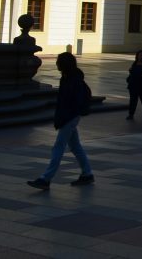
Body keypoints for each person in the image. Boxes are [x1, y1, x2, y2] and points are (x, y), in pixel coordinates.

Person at [27, 52, 94, 189]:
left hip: (69, 117)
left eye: (59, 62)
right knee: (75, 147)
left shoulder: (72, 79)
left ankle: (46, 178)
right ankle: (87, 173)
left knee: (58, 147)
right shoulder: (68, 77)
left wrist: (64, 117)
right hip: (69, 116)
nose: (56, 64)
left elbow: (70, 101)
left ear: (65, 64)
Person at [126, 50, 142, 120]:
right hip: (133, 85)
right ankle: (131, 114)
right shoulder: (135, 63)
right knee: (133, 100)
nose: (141, 56)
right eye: (140, 55)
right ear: (137, 56)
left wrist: (137, 73)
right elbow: (131, 71)